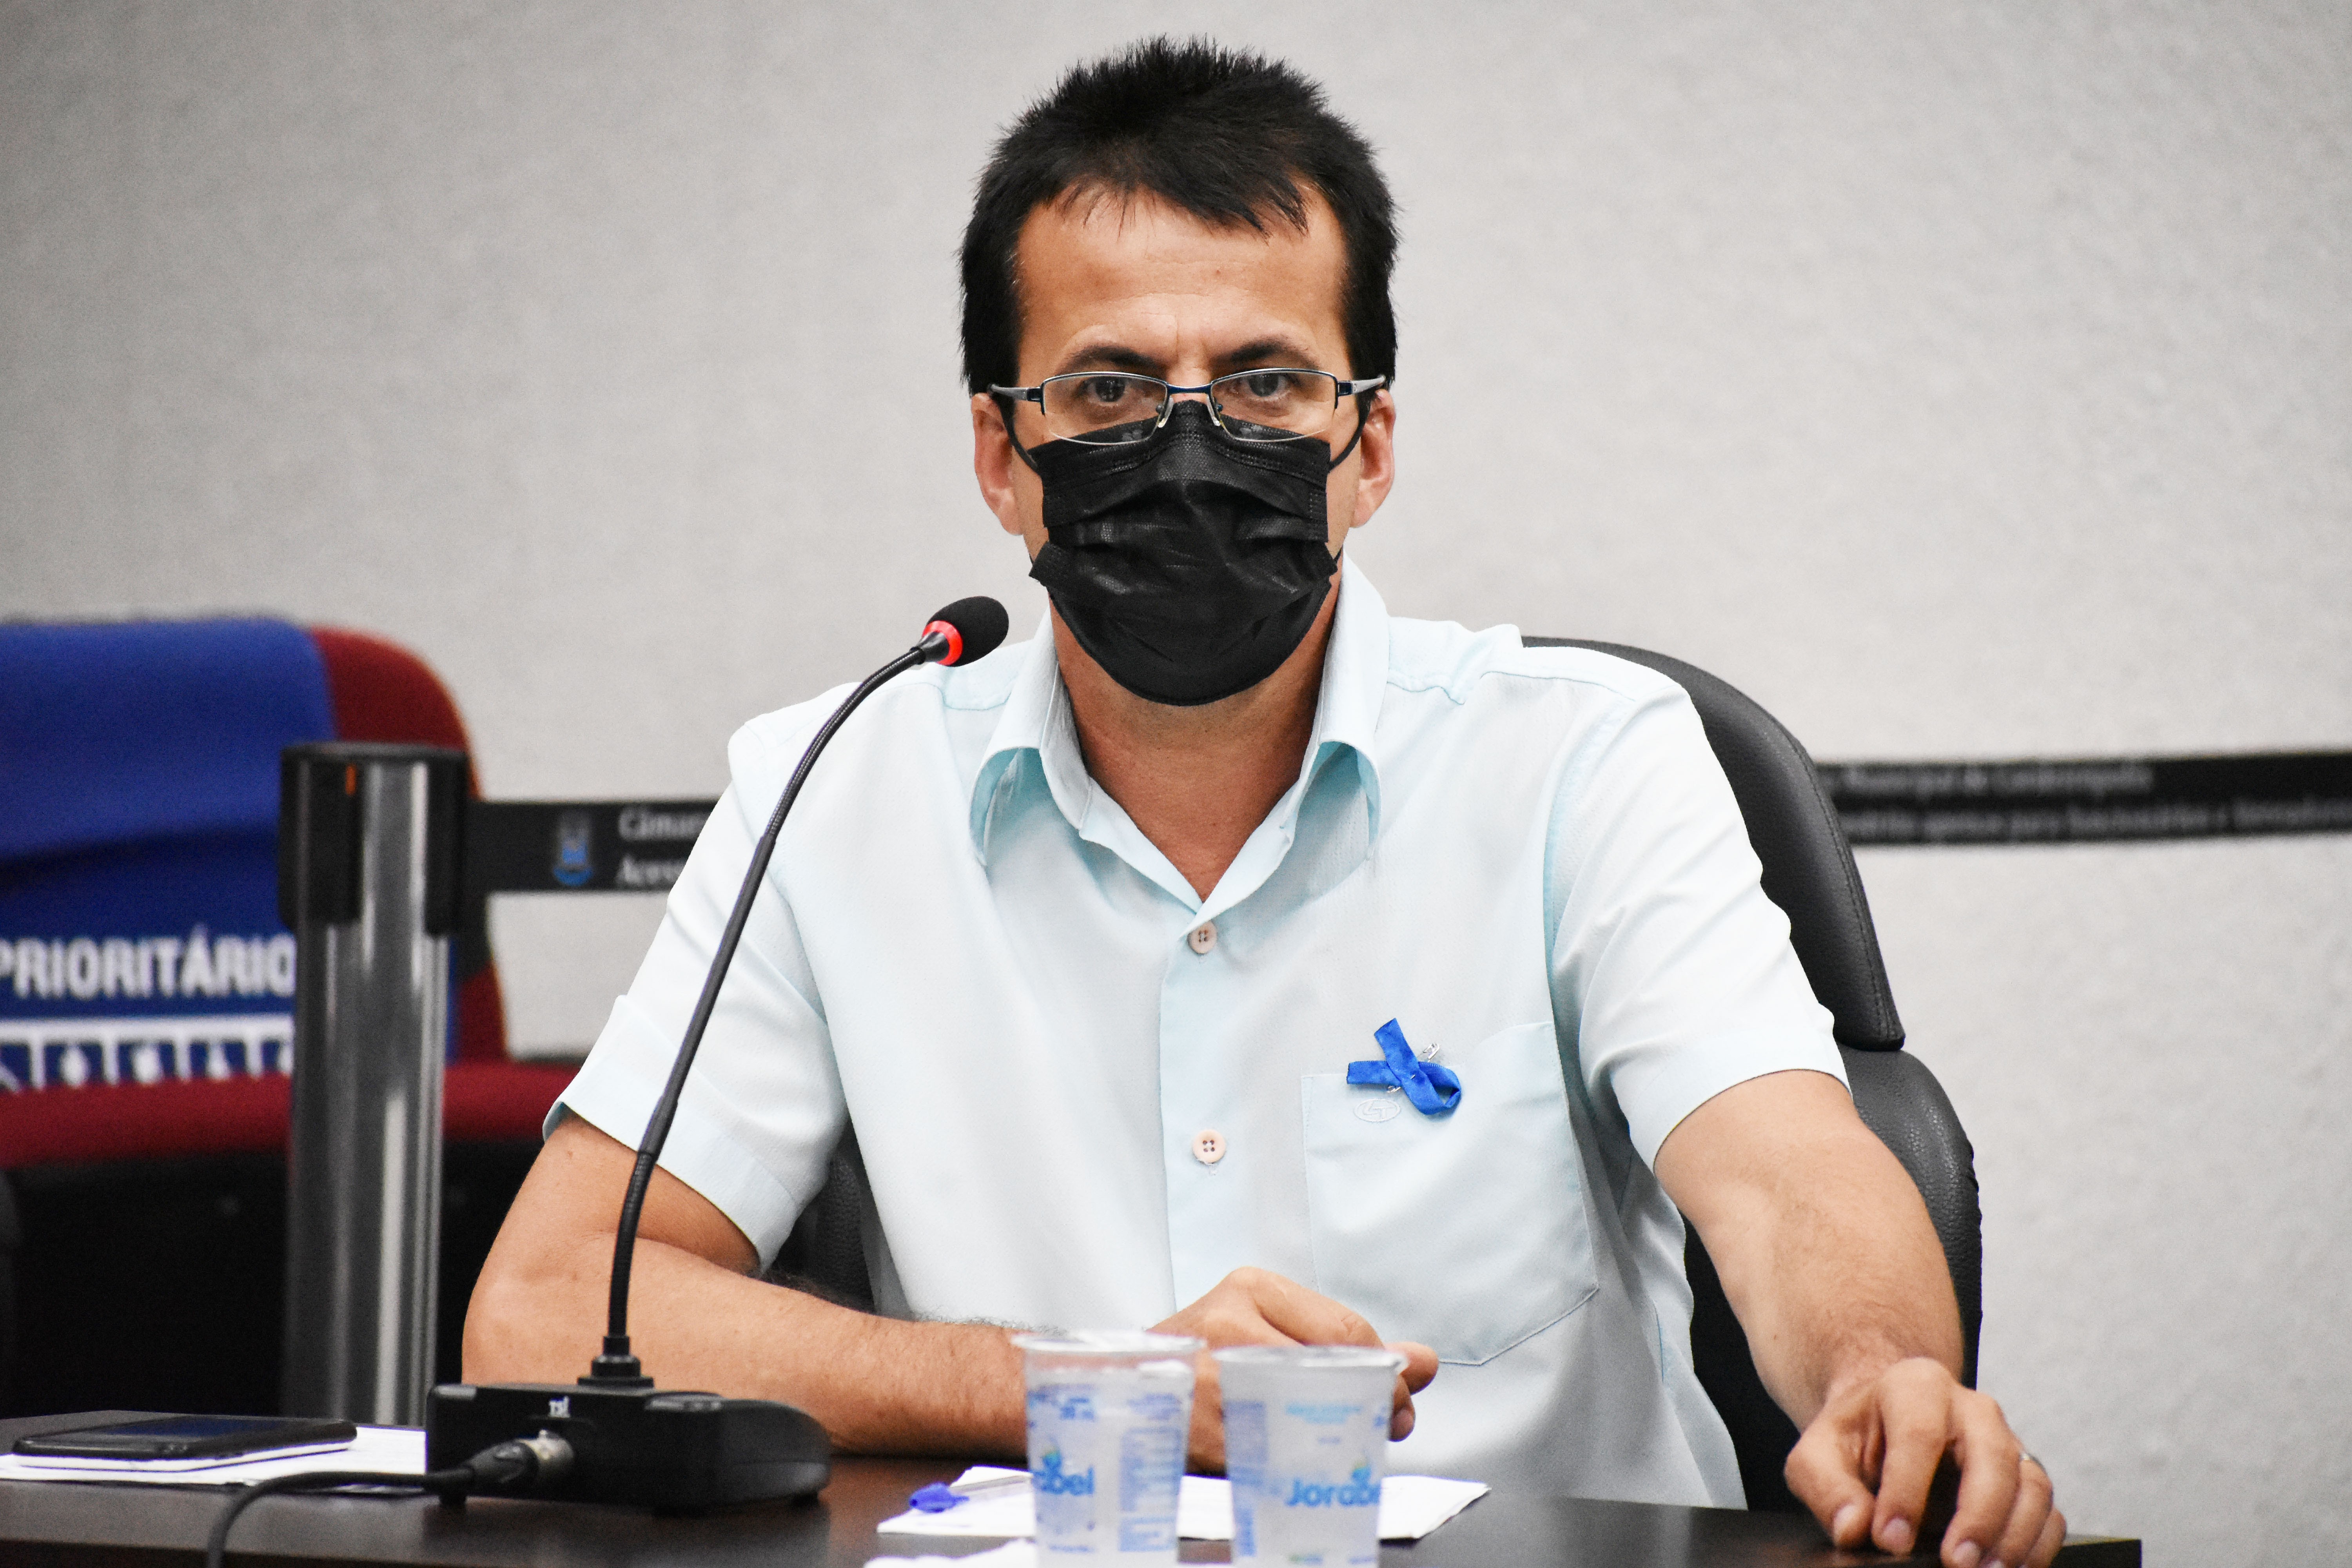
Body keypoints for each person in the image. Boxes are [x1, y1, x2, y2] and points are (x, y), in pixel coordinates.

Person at [468, 38, 2062, 1568]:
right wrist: (1082, 1387)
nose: (1190, 447)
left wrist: (1881, 1373)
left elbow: (1788, 1174)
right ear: (1002, 457)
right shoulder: (838, 789)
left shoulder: (1584, 763)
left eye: (1266, 384)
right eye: (1108, 390)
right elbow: (548, 1307)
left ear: (1369, 447)